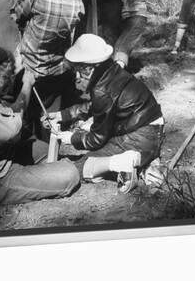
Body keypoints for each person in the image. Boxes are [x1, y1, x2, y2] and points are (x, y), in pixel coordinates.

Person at [0, 44, 80, 205]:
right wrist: (26, 83)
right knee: (69, 174)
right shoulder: (1, 128)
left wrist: (16, 62)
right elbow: (17, 112)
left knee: (44, 150)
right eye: (7, 81)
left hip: (3, 154)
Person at [43, 34, 164, 193]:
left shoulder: (102, 90)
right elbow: (97, 106)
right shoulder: (111, 71)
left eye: (78, 70)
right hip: (151, 128)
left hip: (140, 135)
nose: (78, 77)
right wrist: (63, 115)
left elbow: (96, 140)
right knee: (99, 152)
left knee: (77, 168)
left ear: (89, 67)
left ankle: (124, 162)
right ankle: (143, 160)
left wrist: (71, 138)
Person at [12, 0, 85, 138]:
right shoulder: (78, 2)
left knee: (24, 120)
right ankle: (50, 155)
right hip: (56, 70)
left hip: (29, 69)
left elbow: (16, 12)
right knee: (47, 121)